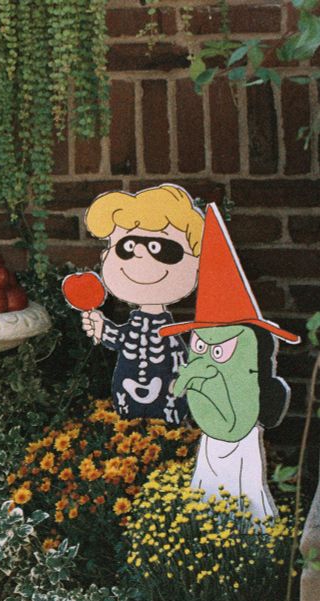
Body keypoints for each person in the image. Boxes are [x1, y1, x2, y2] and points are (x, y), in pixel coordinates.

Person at [162, 203, 299, 519]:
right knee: (206, 487)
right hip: (213, 441)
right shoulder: (204, 395)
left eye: (221, 351)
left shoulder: (247, 397)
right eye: (201, 346)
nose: (208, 362)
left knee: (247, 495)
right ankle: (208, 529)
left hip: (243, 437)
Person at [78, 184, 203, 424]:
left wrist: (187, 376)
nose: (141, 254)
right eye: (127, 246)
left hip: (167, 400)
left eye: (158, 247)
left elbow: (180, 357)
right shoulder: (133, 327)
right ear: (106, 256)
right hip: (127, 396)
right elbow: (121, 338)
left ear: (196, 262)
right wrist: (101, 327)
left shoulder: (171, 334)